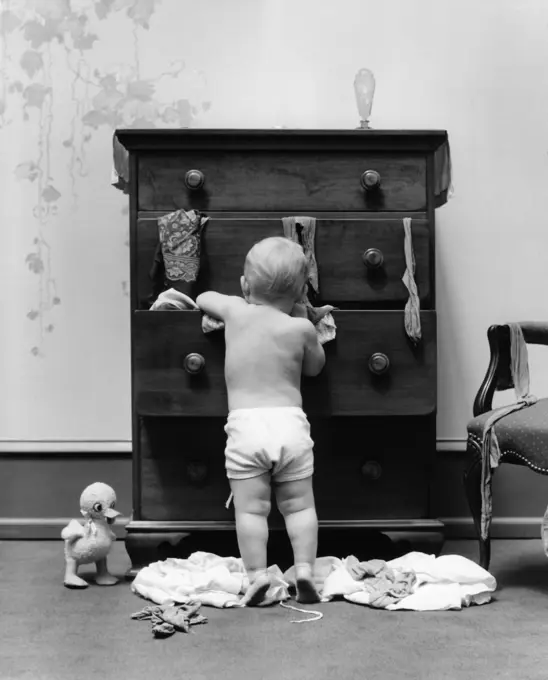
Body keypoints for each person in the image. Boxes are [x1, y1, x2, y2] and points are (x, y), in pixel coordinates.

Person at [196, 236, 325, 606]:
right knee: (299, 507)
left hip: (246, 428)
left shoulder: (236, 311)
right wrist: (303, 320)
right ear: (300, 291)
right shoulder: (299, 328)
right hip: (290, 426)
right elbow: (316, 368)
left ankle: (256, 576)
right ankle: (303, 570)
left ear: (245, 284)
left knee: (252, 510)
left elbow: (204, 297)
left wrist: (230, 299)